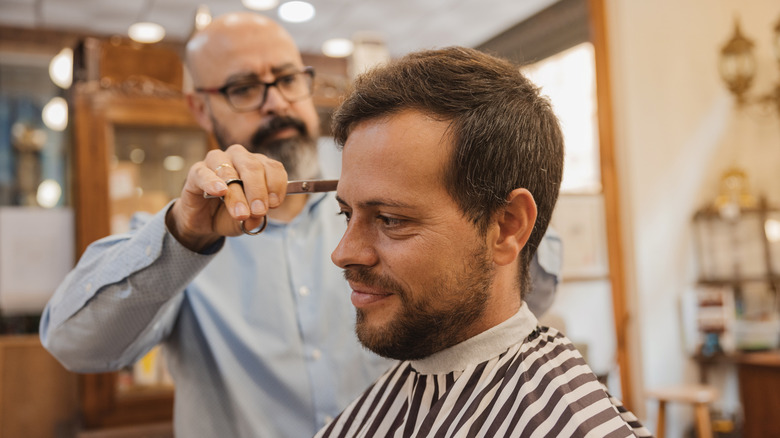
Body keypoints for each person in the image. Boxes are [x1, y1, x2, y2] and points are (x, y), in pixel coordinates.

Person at [38, 13, 562, 438]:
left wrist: (456, 200)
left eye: (288, 79)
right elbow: (74, 345)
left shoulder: (389, 191)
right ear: (200, 107)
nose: (277, 102)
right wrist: (185, 233)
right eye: (245, 88)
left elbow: (519, 295)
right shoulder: (177, 238)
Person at [315, 47, 650, 437]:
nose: (343, 253)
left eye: (390, 220)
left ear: (507, 226)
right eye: (346, 214)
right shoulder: (392, 394)